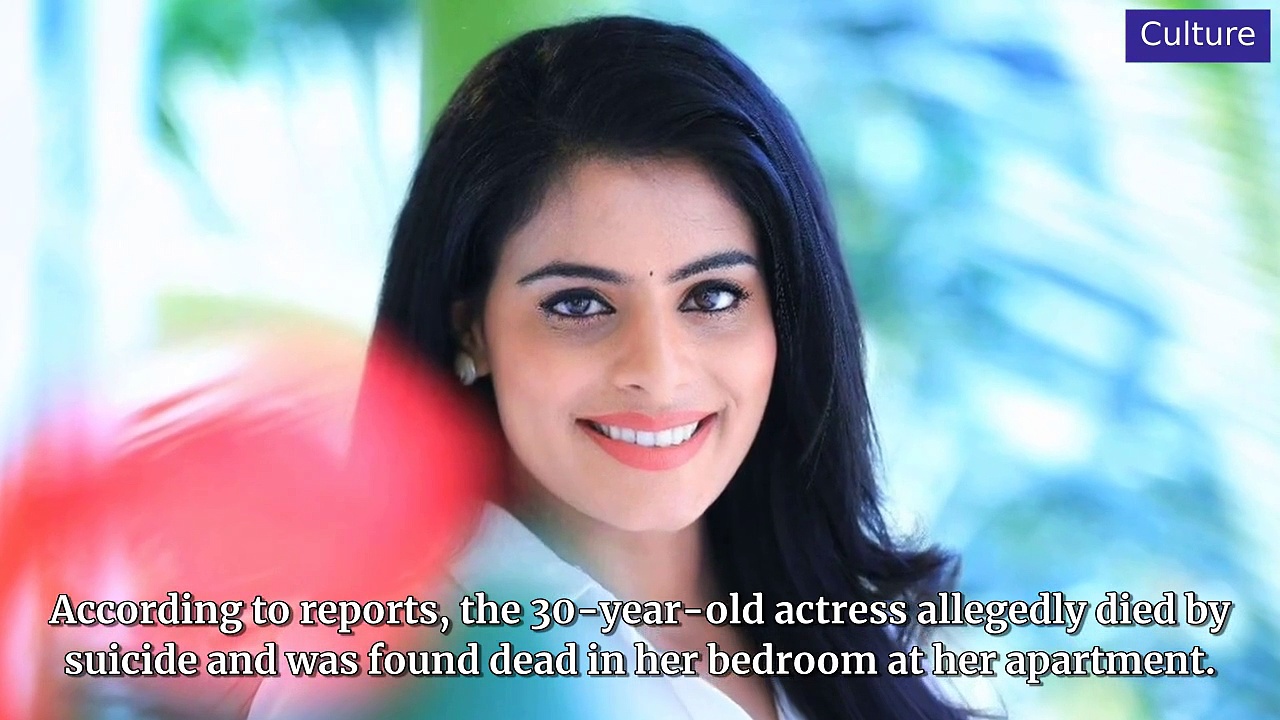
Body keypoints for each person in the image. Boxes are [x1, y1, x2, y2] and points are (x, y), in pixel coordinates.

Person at [251, 14, 973, 720]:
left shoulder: (855, 627)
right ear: (471, 329)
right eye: (579, 304)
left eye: (712, 296)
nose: (657, 371)